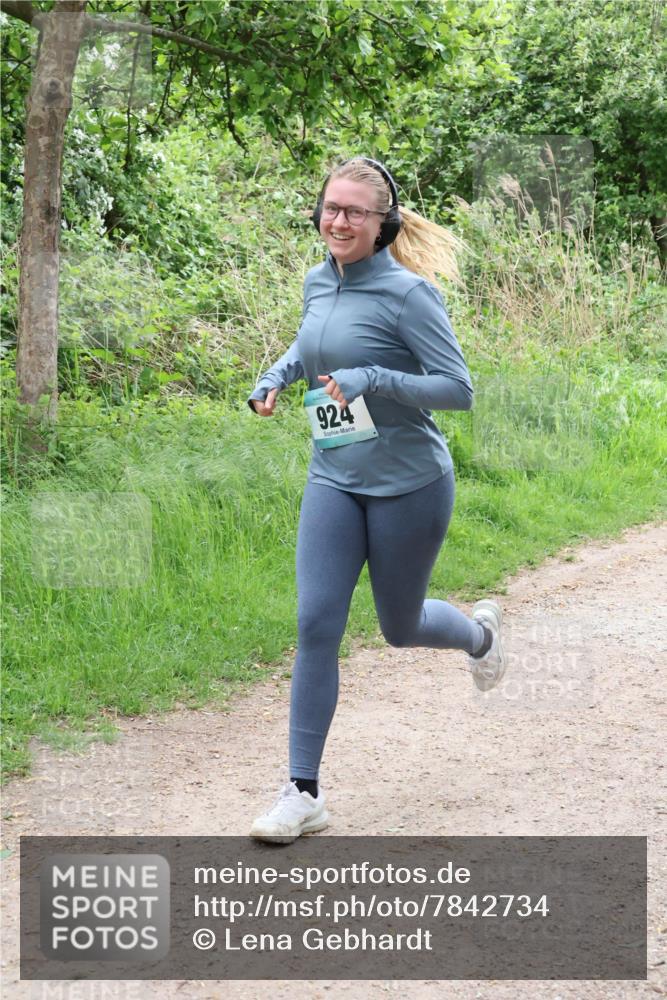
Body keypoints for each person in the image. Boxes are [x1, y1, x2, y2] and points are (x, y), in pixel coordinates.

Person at [246, 157, 505, 844]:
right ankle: (302, 791)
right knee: (315, 622)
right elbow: (311, 350)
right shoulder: (314, 282)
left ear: (382, 222)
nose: (338, 221)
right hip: (334, 474)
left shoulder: (409, 295)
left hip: (409, 484)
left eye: (354, 212)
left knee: (397, 625)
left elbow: (456, 390)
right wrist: (274, 376)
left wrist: (373, 378)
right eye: (331, 207)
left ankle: (480, 637)